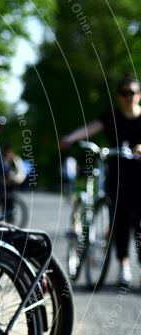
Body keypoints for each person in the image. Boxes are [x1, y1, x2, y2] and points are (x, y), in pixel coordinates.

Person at [60, 75, 141, 286]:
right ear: (119, 96)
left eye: (132, 92)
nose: (128, 97)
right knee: (120, 220)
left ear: (138, 94)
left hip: (139, 177)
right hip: (118, 176)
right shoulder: (112, 117)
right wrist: (71, 137)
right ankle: (123, 265)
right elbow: (90, 128)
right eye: (124, 93)